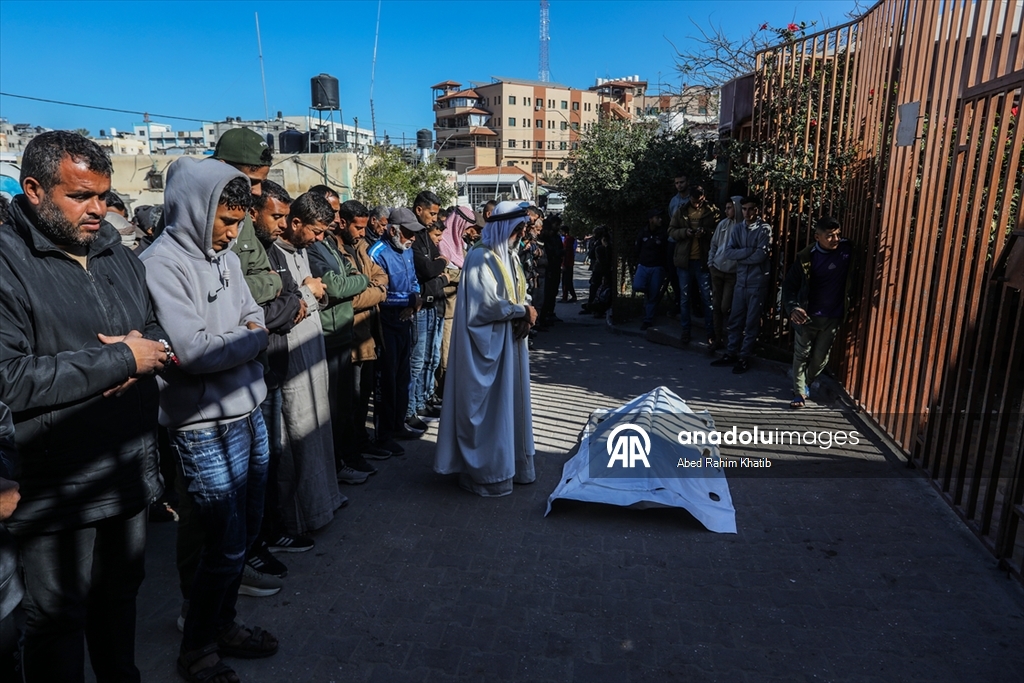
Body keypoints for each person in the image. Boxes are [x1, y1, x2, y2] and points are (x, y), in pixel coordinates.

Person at [0, 130, 167, 683]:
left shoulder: (117, 252)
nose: (98, 209)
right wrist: (119, 362)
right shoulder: (7, 265)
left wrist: (148, 353)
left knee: (120, 598)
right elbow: (8, 377)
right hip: (56, 484)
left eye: (103, 194)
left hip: (127, 465)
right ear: (33, 190)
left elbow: (156, 329)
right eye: (80, 196)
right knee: (56, 619)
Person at [141, 157, 278, 683]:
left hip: (250, 409)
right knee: (221, 542)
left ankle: (224, 624)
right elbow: (193, 352)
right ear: (196, 211)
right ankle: (196, 646)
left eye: (239, 221)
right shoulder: (161, 264)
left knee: (243, 535)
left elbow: (257, 317)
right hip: (201, 425)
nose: (232, 231)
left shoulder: (230, 259)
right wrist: (248, 339)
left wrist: (241, 339)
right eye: (225, 221)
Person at [435, 201, 538, 496]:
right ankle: (485, 473)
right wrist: (522, 312)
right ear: (503, 227)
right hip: (485, 347)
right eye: (517, 229)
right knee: (489, 410)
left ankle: (513, 465)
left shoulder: (510, 256)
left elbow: (520, 292)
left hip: (510, 345)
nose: (520, 234)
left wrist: (526, 311)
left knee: (510, 407)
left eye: (522, 228)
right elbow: (486, 306)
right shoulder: (481, 258)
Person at [269, 191, 349, 530]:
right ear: (295, 222)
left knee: (319, 425)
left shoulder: (302, 249)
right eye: (316, 232)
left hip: (313, 348)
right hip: (291, 356)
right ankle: (299, 518)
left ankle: (324, 500)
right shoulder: (272, 253)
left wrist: (316, 291)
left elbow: (323, 290)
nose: (318, 240)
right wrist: (306, 291)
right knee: (296, 434)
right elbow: (284, 306)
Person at [248, 180, 313, 570]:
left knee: (269, 460)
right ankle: (253, 547)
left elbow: (291, 295)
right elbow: (261, 313)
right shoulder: (237, 252)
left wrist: (287, 302)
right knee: (255, 468)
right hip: (248, 374)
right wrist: (288, 303)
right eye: (277, 215)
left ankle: (271, 533)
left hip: (271, 366)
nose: (283, 224)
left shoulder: (270, 248)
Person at [307, 188, 374, 481]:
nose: (335, 219)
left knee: (346, 405)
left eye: (336, 212)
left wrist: (355, 281)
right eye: (331, 212)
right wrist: (358, 283)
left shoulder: (332, 245)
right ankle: (335, 467)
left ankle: (345, 458)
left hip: (345, 333)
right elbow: (334, 287)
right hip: (327, 336)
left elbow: (357, 276)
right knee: (331, 410)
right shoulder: (313, 246)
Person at [334, 200, 390, 463]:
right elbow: (350, 299)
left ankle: (361, 442)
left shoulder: (361, 247)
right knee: (350, 401)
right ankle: (350, 451)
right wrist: (377, 293)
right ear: (343, 222)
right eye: (357, 227)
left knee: (364, 394)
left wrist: (372, 289)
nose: (361, 232)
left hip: (368, 335)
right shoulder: (335, 251)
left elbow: (381, 275)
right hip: (350, 339)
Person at [782, 216, 855, 408]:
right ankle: (799, 394)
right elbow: (788, 287)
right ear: (817, 237)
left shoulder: (847, 250)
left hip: (833, 316)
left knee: (821, 358)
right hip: (807, 317)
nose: (835, 240)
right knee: (801, 354)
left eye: (838, 235)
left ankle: (805, 382)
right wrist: (793, 308)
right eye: (830, 236)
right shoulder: (806, 258)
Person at [368, 208, 423, 449]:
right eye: (408, 233)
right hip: (385, 325)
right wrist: (409, 300)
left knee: (403, 379)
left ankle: (399, 424)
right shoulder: (377, 253)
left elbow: (413, 282)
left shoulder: (407, 251)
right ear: (393, 231)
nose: (412, 239)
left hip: (405, 322)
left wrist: (416, 299)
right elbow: (380, 294)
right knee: (386, 382)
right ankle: (384, 435)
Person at [711, 196, 772, 374]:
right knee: (735, 319)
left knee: (751, 322)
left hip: (756, 282)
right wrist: (747, 252)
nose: (747, 213)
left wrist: (743, 257)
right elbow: (729, 252)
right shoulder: (738, 228)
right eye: (744, 209)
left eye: (750, 209)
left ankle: (744, 357)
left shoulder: (764, 229)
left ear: (757, 210)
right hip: (740, 281)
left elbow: (761, 256)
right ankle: (731, 353)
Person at [409, 193, 450, 428]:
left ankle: (423, 399)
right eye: (432, 213)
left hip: (434, 304)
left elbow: (437, 263)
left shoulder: (425, 235)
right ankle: (411, 408)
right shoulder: (414, 237)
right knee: (416, 361)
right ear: (419, 210)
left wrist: (438, 269)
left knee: (430, 358)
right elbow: (426, 269)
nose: (434, 218)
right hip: (420, 305)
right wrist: (441, 270)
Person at [668, 185, 718, 345]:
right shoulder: (681, 211)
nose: (696, 204)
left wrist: (706, 232)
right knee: (684, 298)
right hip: (685, 261)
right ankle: (685, 331)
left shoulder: (712, 210)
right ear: (689, 198)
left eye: (699, 201)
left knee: (707, 298)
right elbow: (671, 230)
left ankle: (711, 332)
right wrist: (685, 233)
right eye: (694, 201)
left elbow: (718, 231)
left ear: (703, 198)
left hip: (703, 260)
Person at [707, 196, 742, 351]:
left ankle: (730, 339)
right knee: (716, 305)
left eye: (730, 207)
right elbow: (714, 244)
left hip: (731, 273)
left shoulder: (742, 227)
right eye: (726, 207)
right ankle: (717, 338)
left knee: (725, 306)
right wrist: (710, 262)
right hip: (717, 268)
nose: (727, 210)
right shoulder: (723, 223)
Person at [634, 208, 669, 330]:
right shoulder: (643, 233)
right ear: (651, 220)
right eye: (657, 217)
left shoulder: (663, 234)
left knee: (654, 295)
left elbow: (667, 252)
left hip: (657, 268)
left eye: (660, 217)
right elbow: (637, 249)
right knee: (637, 286)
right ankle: (647, 295)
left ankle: (648, 320)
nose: (660, 220)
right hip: (643, 266)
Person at [560, 225, 578, 303]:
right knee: (568, 281)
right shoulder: (570, 239)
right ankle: (572, 296)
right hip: (570, 263)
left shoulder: (567, 240)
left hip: (567, 263)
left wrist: (563, 264)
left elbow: (566, 253)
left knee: (565, 281)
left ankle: (566, 297)